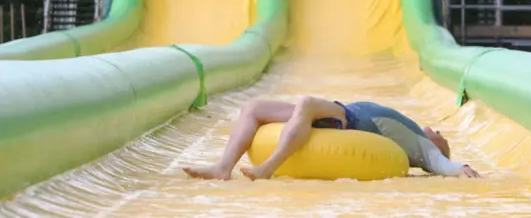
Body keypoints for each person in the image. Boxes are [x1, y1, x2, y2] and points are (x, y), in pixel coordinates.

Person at [183, 96, 480, 181]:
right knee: (252, 107)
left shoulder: (422, 145)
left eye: (443, 138)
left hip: (350, 119)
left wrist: (458, 167)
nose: (439, 132)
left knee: (307, 103)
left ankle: (269, 167)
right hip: (343, 112)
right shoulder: (417, 131)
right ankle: (223, 167)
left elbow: (439, 163)